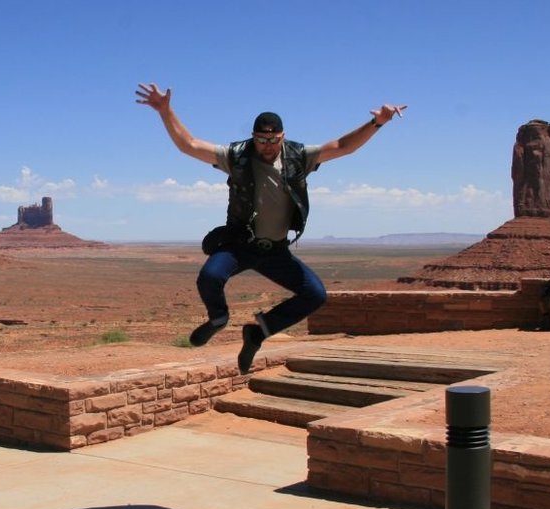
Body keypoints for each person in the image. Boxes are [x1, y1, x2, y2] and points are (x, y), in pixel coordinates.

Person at [136, 82, 406, 372]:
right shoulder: (236, 156)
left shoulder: (298, 156)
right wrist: (165, 111)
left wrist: (377, 122)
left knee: (315, 295)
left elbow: (342, 146)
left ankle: (258, 332)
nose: (267, 146)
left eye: (273, 140)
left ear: (283, 136)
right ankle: (218, 318)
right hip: (241, 244)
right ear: (253, 137)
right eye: (261, 140)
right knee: (209, 277)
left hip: (276, 250)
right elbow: (188, 145)